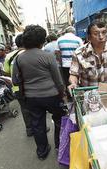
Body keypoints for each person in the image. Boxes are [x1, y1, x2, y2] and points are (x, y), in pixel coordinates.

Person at [12, 25, 66, 160]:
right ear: (42, 41)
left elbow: (15, 80)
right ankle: (59, 145)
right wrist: (62, 93)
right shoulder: (48, 56)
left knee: (37, 124)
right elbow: (58, 79)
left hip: (31, 98)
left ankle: (42, 151)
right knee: (59, 119)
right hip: (52, 95)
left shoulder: (19, 59)